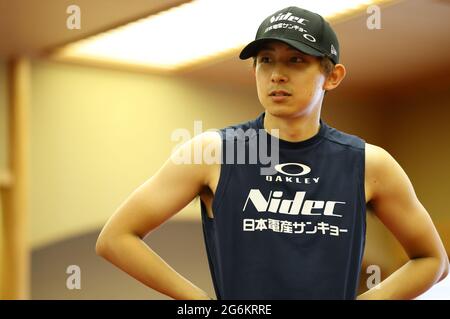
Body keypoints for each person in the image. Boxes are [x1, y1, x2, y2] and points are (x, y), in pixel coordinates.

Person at [95, 6, 448, 300]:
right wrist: (201, 303)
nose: (277, 74)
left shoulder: (369, 163)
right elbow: (116, 238)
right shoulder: (214, 153)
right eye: (266, 60)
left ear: (333, 76)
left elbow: (433, 260)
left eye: (295, 60)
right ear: (254, 70)